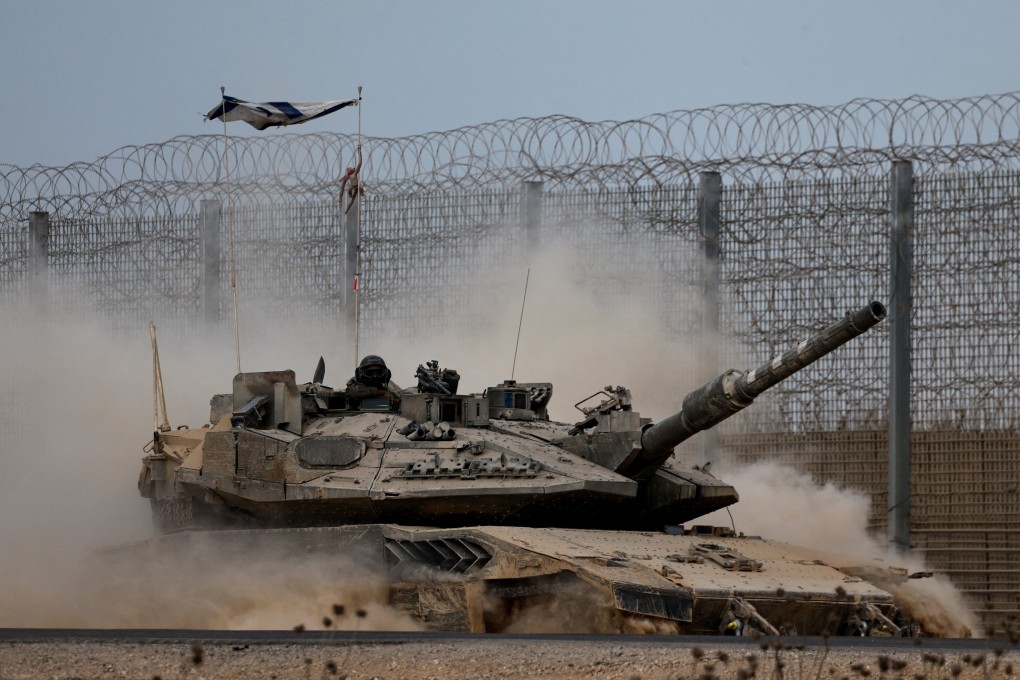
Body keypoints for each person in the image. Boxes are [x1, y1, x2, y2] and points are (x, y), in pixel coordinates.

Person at [338, 144, 364, 215]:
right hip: (354, 186)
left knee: (352, 197)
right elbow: (360, 163)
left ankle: (361, 193)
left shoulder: (354, 173)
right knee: (351, 198)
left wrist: (359, 151)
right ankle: (343, 197)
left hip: (357, 186)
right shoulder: (349, 176)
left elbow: (360, 163)